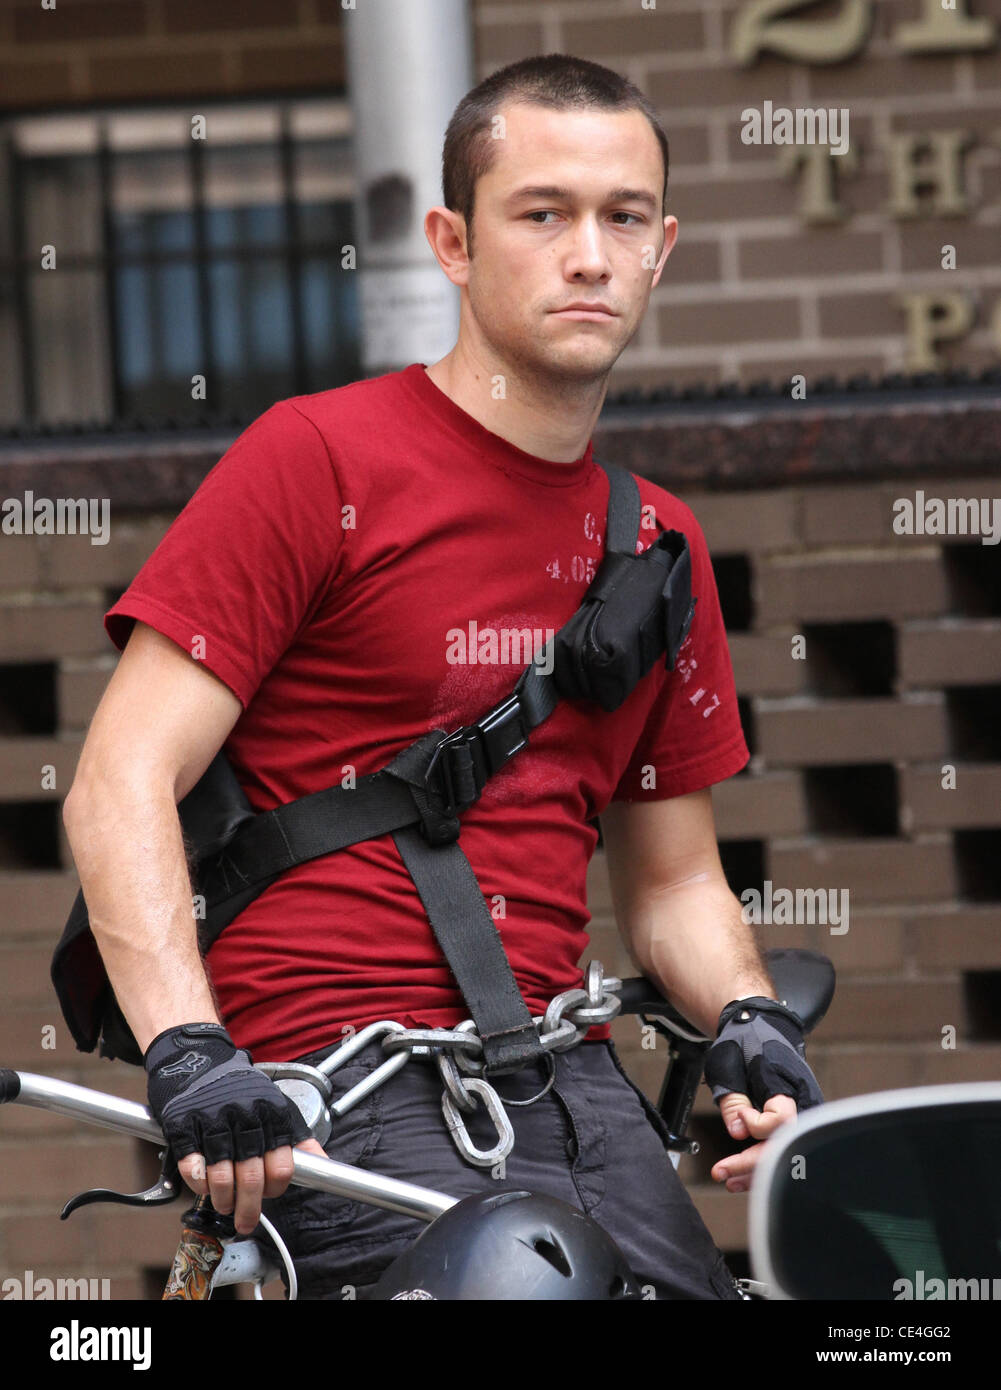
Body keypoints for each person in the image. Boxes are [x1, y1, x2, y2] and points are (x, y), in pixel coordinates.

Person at [62, 54, 822, 1300]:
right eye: (542, 214)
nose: (589, 256)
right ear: (452, 245)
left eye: (623, 217)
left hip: (572, 1084)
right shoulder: (318, 458)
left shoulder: (657, 545)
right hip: (338, 1094)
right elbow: (119, 780)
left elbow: (676, 879)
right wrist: (191, 1051)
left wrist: (748, 1016)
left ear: (663, 249)